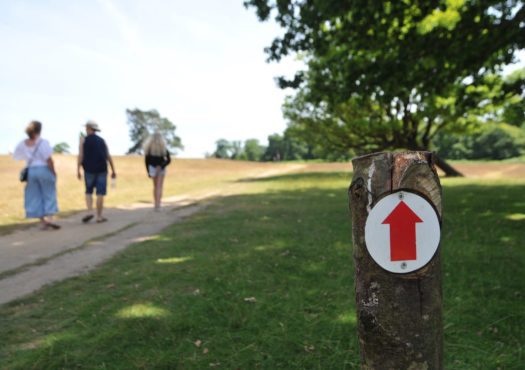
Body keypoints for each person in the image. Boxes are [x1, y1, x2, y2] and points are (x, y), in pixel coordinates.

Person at [13, 121, 60, 230]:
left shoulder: (22, 143)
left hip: (31, 171)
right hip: (44, 169)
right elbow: (49, 160)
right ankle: (50, 218)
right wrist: (53, 172)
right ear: (39, 130)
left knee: (34, 196)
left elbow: (17, 156)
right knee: (49, 193)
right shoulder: (43, 142)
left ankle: (43, 222)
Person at [77, 121, 116, 223]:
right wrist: (113, 169)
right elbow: (108, 156)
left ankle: (90, 211)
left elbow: (81, 155)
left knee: (88, 191)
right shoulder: (102, 140)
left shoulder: (83, 140)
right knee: (100, 193)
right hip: (102, 169)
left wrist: (78, 169)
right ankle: (99, 216)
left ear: (89, 128)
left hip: (88, 169)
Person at [144, 132, 171, 210]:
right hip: (161, 169)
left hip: (152, 168)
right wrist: (162, 165)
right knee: (159, 186)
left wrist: (148, 171)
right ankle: (158, 204)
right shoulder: (163, 148)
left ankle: (156, 204)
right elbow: (168, 160)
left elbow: (146, 161)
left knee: (155, 186)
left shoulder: (149, 149)